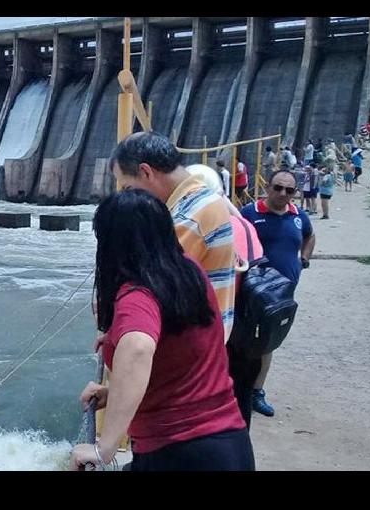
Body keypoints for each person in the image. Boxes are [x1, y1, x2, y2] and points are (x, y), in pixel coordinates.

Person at [70, 189, 253, 471]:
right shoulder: (187, 271)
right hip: (229, 443)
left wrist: (103, 448)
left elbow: (139, 349)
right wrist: (116, 393)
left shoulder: (136, 295)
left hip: (178, 453)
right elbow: (177, 351)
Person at [109, 131, 236, 342]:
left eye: (128, 188)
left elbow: (149, 286)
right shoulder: (203, 199)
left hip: (191, 350)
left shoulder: (188, 218)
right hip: (207, 341)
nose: (128, 196)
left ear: (146, 172)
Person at [187, 164, 264, 427]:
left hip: (223, 330)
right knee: (240, 404)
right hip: (251, 326)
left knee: (209, 411)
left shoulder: (206, 225)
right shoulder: (244, 225)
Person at [240, 170, 315, 418]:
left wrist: (304, 258)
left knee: (268, 342)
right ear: (268, 187)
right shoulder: (250, 213)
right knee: (241, 339)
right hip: (252, 292)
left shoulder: (298, 216)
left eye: (289, 190)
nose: (283, 193)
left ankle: (256, 392)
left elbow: (310, 235)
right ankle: (235, 390)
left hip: (282, 294)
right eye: (278, 187)